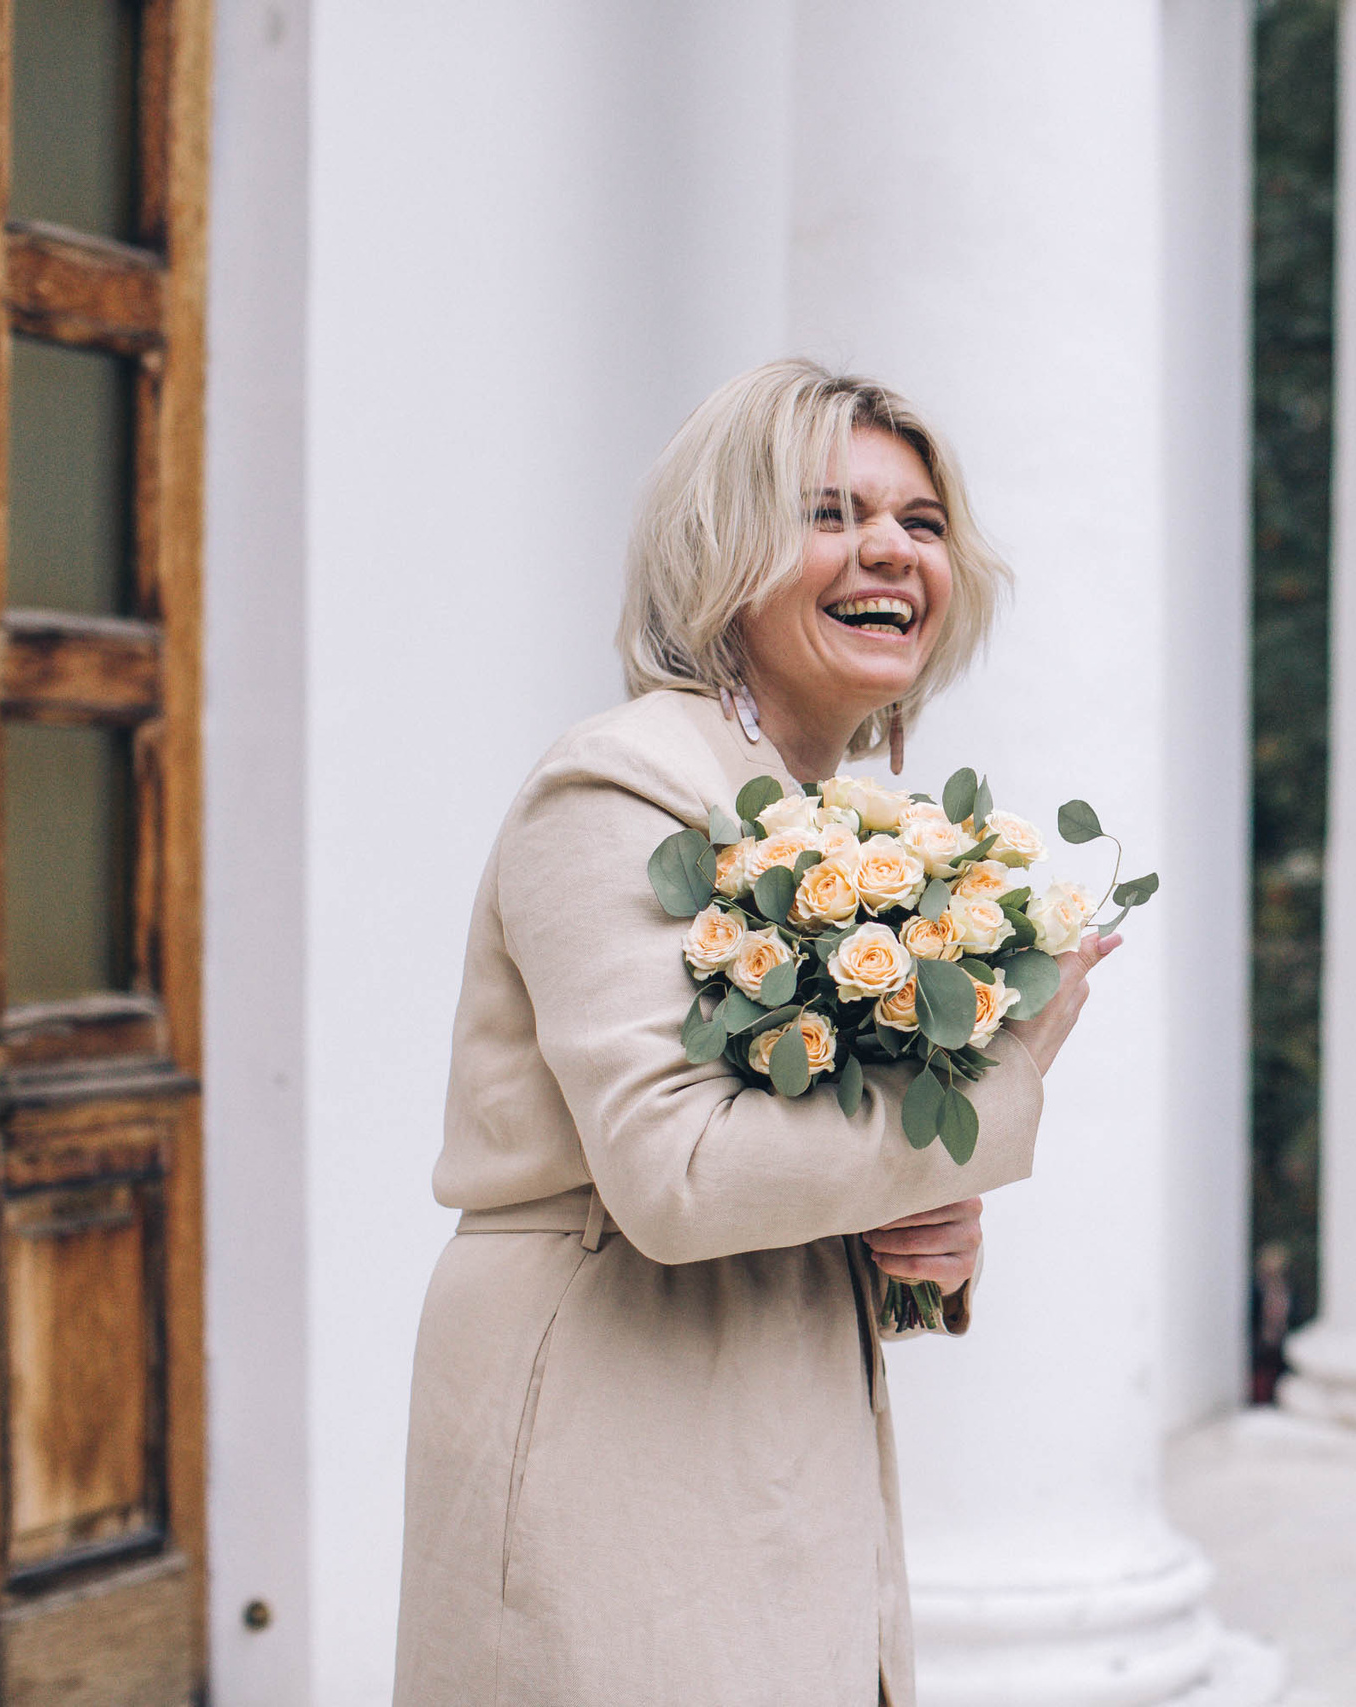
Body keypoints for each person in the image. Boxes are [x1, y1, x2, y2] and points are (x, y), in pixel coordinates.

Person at [393, 359, 1115, 1707]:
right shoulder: (616, 786)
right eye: (831, 512)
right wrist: (1003, 1082)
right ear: (721, 553)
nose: (891, 549)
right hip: (607, 1406)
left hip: (769, 1404)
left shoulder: (818, 807)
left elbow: (803, 1147)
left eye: (921, 520)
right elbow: (678, 1174)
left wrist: (928, 1223)